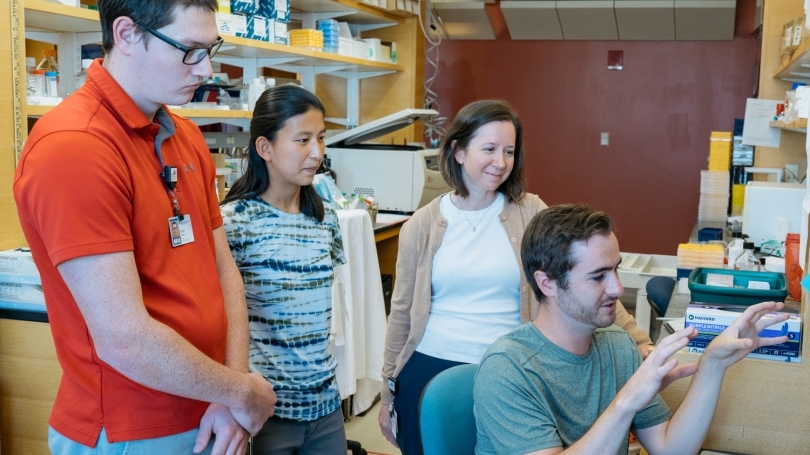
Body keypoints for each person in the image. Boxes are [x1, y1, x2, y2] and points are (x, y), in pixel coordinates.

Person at [13, 1, 276, 454]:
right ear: (128, 34)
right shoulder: (74, 148)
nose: (207, 68)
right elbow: (124, 339)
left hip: (212, 412)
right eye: (190, 49)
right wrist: (242, 392)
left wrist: (228, 390)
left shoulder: (184, 135)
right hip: (130, 430)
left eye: (210, 47)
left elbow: (222, 270)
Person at [378, 100, 653, 455]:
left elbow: (584, 277)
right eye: (489, 149)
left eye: (509, 151)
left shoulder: (530, 212)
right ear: (458, 151)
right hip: (428, 370)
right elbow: (401, 312)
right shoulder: (421, 225)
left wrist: (639, 340)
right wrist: (387, 395)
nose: (501, 162)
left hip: (510, 371)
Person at [474, 204, 790, 455]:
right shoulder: (507, 369)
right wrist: (626, 402)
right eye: (598, 276)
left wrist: (713, 364)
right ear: (547, 283)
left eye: (616, 269)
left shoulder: (617, 345)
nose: (617, 288)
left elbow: (672, 450)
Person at [220, 85, 348, 455]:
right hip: (265, 411)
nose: (317, 152)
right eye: (303, 139)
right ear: (265, 148)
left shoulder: (325, 218)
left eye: (321, 138)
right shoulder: (235, 222)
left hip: (325, 408)